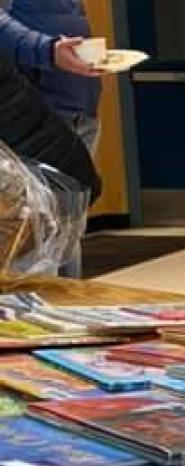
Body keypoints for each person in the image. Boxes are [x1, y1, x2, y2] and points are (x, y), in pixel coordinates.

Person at [1, 0, 104, 279]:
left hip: (76, 108)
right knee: (32, 229)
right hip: (33, 115)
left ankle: (63, 307)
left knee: (68, 223)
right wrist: (46, 49)